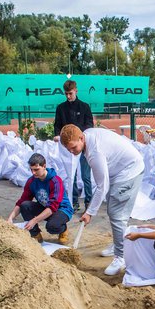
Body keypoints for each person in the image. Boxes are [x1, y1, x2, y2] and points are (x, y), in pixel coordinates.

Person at [60, 124, 144, 276]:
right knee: (113, 209)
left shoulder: (94, 152)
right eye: (68, 150)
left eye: (73, 147)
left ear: (81, 138)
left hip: (129, 170)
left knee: (116, 213)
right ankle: (119, 243)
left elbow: (101, 186)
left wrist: (90, 212)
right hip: (119, 170)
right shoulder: (86, 136)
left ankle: (121, 256)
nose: (72, 152)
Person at [7, 153, 73, 244]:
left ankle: (63, 230)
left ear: (44, 166)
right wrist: (10, 218)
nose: (33, 173)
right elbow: (22, 200)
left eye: (36, 169)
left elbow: (53, 206)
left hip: (62, 209)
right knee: (24, 205)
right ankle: (35, 234)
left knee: (52, 227)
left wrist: (34, 220)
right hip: (46, 207)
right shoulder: (31, 181)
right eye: (31, 170)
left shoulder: (56, 181)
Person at [53, 80, 94, 212]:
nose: (68, 96)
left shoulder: (85, 107)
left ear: (76, 90)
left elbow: (89, 125)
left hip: (83, 145)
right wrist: (57, 135)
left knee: (86, 176)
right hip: (68, 147)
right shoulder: (60, 108)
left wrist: (80, 138)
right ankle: (74, 201)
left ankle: (89, 202)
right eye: (66, 94)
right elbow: (57, 125)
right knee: (72, 175)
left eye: (70, 93)